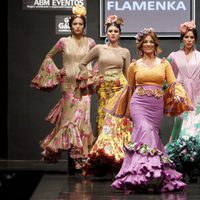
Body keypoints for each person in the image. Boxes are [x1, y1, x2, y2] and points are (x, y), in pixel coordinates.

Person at [105, 28, 193, 193]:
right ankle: (145, 174)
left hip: (155, 106)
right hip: (138, 104)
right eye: (145, 41)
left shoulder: (164, 63)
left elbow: (173, 83)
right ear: (140, 44)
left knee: (151, 135)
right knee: (145, 131)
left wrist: (179, 96)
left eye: (151, 41)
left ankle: (148, 175)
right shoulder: (134, 65)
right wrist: (127, 111)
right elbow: (129, 88)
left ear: (155, 44)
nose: (148, 44)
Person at [30, 5, 96, 173]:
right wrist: (57, 72)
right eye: (75, 24)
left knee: (83, 121)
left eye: (81, 24)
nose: (78, 27)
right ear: (70, 26)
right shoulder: (63, 42)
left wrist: (92, 76)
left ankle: (82, 161)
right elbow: (49, 56)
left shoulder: (90, 42)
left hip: (84, 87)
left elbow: (95, 63)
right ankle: (72, 162)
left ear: (84, 25)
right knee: (69, 122)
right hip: (67, 86)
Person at [75, 15, 133, 177]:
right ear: (106, 33)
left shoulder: (125, 51)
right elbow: (82, 63)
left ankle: (119, 160)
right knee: (104, 121)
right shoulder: (100, 48)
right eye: (110, 31)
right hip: (104, 89)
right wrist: (91, 77)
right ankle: (103, 160)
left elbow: (127, 74)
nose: (113, 34)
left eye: (115, 31)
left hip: (120, 88)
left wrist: (130, 93)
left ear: (119, 34)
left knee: (119, 124)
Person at [165, 21, 200, 183]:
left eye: (192, 37)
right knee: (180, 131)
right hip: (181, 97)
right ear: (182, 38)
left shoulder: (199, 56)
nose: (189, 40)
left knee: (194, 131)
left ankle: (194, 167)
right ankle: (180, 166)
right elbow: (169, 78)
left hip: (197, 97)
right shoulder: (174, 56)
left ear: (195, 39)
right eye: (186, 37)